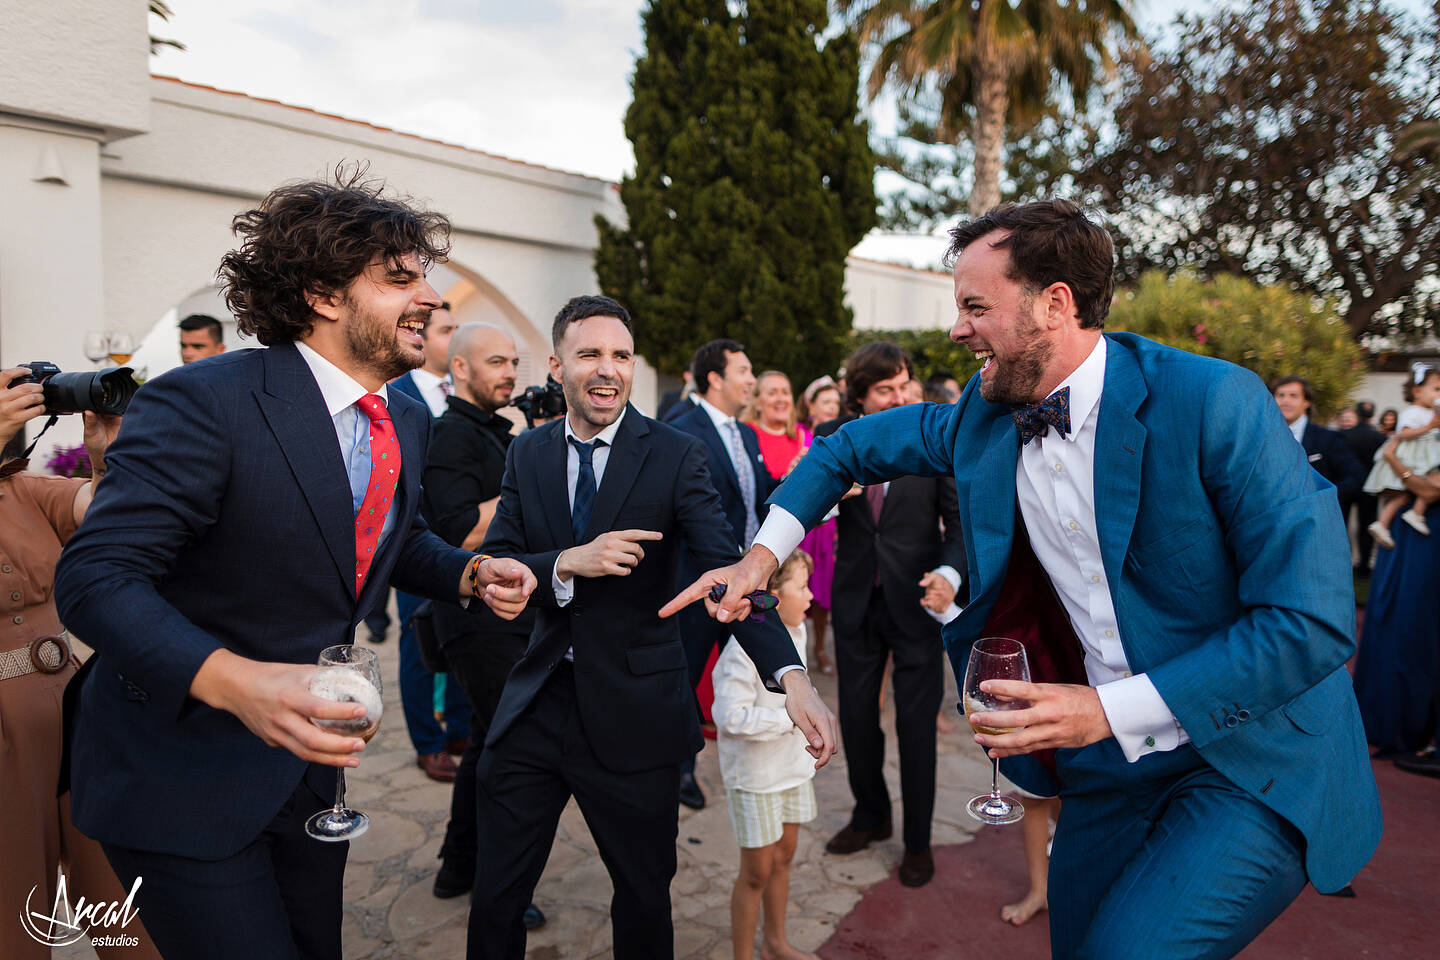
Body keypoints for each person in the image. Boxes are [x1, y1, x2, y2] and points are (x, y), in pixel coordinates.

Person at [667, 199, 1380, 959]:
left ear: (1056, 304)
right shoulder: (980, 415)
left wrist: (1106, 709)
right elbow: (846, 452)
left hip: (1246, 755)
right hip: (1107, 768)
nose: (954, 329)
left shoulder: (1216, 402)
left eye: (975, 306)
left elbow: (1312, 622)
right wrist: (761, 556)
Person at [52, 172, 536, 960]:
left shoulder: (405, 413)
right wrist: (239, 682)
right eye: (400, 278)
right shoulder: (204, 402)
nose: (430, 300)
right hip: (182, 772)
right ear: (322, 292)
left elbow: (383, 538)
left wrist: (466, 573)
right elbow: (95, 579)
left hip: (308, 774)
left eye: (428, 278)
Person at [469, 295, 837, 960]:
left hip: (636, 713)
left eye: (621, 355)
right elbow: (496, 558)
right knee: (494, 896)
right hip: (536, 707)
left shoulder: (675, 454)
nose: (607, 369)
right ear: (557, 366)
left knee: (641, 900)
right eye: (589, 354)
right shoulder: (527, 453)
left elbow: (729, 576)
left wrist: (792, 678)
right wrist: (564, 565)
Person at [0, 372, 161, 960]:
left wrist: (106, 454)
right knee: (14, 902)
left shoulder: (22, 491)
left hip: (76, 716)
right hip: (5, 741)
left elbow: (106, 510)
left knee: (118, 893)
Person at [812, 342, 965, 889]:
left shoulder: (934, 436)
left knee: (916, 726)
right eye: (886, 389)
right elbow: (803, 506)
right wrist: (833, 494)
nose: (901, 397)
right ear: (859, 397)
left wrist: (949, 576)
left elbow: (959, 525)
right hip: (856, 599)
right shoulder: (832, 439)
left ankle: (918, 841)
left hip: (916, 603)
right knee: (856, 719)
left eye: (905, 385)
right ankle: (870, 816)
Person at [422, 322, 546, 929]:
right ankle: (503, 886)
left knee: (488, 742)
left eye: (513, 362)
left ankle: (458, 864)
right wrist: (534, 471)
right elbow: (453, 530)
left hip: (504, 614)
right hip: (473, 618)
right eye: (496, 361)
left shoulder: (503, 435)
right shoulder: (449, 436)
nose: (510, 373)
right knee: (515, 747)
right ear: (460, 368)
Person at [670, 339, 778, 810]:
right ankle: (677, 774)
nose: (752, 380)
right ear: (715, 377)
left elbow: (753, 502)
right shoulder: (677, 430)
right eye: (745, 369)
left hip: (745, 586)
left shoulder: (747, 435)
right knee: (683, 677)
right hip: (696, 583)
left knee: (740, 675)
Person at [713, 549, 820, 960]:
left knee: (784, 857)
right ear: (770, 594)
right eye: (802, 587)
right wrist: (791, 721)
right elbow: (729, 716)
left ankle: (775, 942)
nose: (811, 597)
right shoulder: (742, 651)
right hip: (756, 777)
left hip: (792, 769)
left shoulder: (800, 632)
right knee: (756, 872)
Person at [387, 301, 472, 782]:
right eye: (445, 330)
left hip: (466, 541)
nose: (452, 338)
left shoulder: (462, 392)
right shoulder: (395, 391)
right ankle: (428, 742)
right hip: (415, 541)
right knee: (418, 643)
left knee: (464, 632)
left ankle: (460, 726)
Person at [1354, 438, 1440, 772]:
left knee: (1416, 634)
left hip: (1427, 542)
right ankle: (1383, 717)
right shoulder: (1420, 436)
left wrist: (1392, 457)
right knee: (1390, 628)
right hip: (1404, 540)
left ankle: (1419, 731)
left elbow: (1429, 491)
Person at [1363, 365, 1440, 548]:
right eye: (1436, 389)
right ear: (1417, 391)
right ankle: (1392, 521)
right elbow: (1403, 434)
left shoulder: (1429, 413)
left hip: (1421, 460)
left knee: (1405, 495)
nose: (1438, 394)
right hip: (1412, 459)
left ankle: (1406, 516)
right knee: (1408, 493)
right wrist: (1430, 427)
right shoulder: (1412, 412)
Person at [796, 377, 841, 675]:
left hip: (829, 528)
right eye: (826, 402)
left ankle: (820, 647)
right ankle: (795, 648)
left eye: (836, 404)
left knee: (823, 592)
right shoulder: (798, 435)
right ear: (811, 406)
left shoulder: (841, 434)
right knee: (795, 587)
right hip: (803, 525)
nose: (832, 408)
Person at [1269, 375, 1364, 505]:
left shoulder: (1328, 439)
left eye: (1293, 396)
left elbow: (1355, 477)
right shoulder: (1263, 438)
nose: (1286, 400)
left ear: (1306, 402)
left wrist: (1322, 502)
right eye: (1281, 395)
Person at [1342, 401, 1387, 571]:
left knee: (1342, 525)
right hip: (1369, 487)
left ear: (1357, 414)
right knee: (1366, 525)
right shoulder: (1379, 437)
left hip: (1346, 485)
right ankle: (1363, 566)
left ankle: (1343, 562)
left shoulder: (1344, 435)